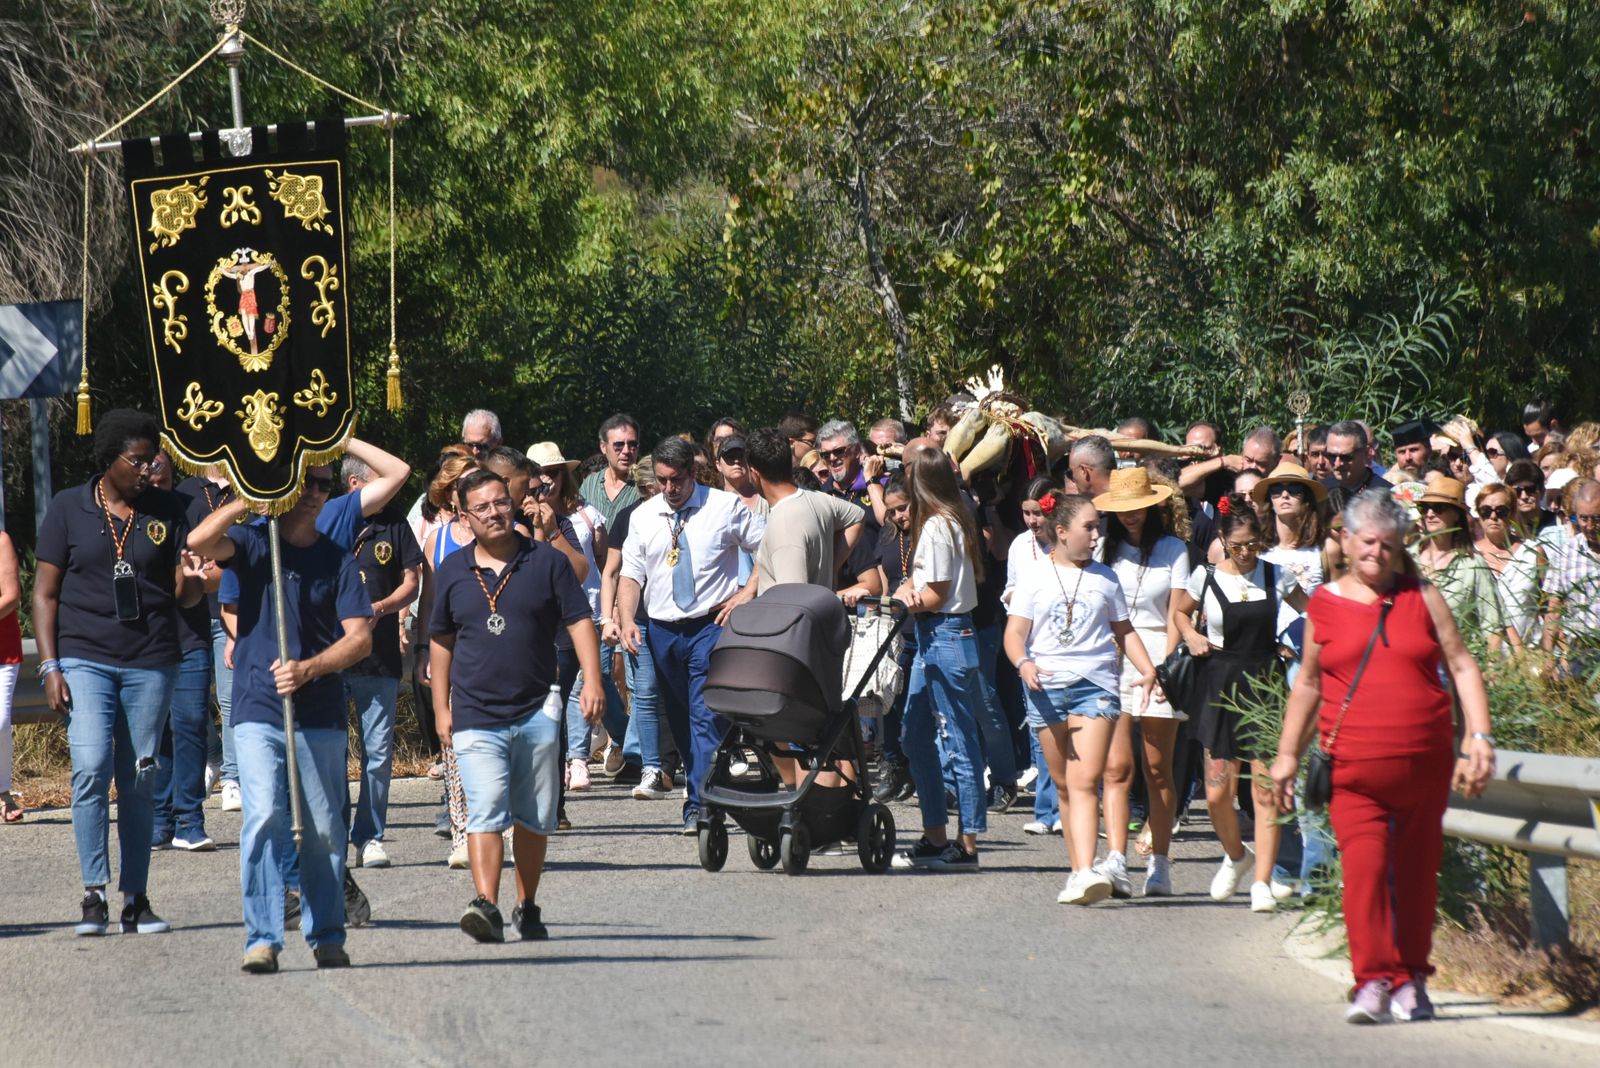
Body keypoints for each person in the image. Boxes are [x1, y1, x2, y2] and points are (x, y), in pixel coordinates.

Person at [1271, 489, 1495, 1023]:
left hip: (1425, 766)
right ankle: (1372, 979)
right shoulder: (1324, 604)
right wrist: (1285, 756)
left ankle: (1412, 980)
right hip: (1353, 770)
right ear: (1346, 541)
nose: (1376, 552)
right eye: (1367, 541)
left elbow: (1462, 666)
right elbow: (1307, 686)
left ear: (1401, 548)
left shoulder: (1424, 597)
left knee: (1417, 874)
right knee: (1365, 872)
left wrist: (1479, 738)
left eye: (1387, 545)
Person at [188, 471, 373, 974]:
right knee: (264, 817)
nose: (315, 493)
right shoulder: (252, 542)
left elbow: (360, 637)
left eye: (322, 485)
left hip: (318, 712)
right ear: (285, 488)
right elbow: (198, 541)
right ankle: (263, 936)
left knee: (322, 830)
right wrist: (247, 500)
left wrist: (311, 667)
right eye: (305, 484)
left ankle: (327, 933)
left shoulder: (337, 558)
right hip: (257, 707)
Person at [34, 409, 202, 936]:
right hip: (84, 656)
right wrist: (50, 665)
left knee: (139, 776)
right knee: (89, 765)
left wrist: (195, 582)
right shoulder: (68, 507)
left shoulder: (169, 508)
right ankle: (92, 894)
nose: (149, 469)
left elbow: (182, 592)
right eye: (138, 460)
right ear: (109, 460)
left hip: (151, 659)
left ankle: (136, 898)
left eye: (153, 459)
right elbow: (45, 592)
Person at [430, 468, 603, 943]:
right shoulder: (451, 570)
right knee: (484, 807)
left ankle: (526, 904)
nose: (494, 513)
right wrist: (440, 708)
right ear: (465, 518)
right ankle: (485, 903)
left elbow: (580, 622)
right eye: (482, 507)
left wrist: (591, 680)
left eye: (500, 502)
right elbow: (440, 643)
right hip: (473, 712)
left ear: (514, 503)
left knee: (532, 815)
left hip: (536, 708)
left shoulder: (547, 562)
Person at [1004, 493, 1159, 904]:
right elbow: (1015, 633)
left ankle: (1086, 869)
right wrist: (1023, 663)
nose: (1096, 535)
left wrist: (1147, 671)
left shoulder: (1106, 578)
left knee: (1084, 779)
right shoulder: (1035, 576)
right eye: (1088, 527)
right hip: (1044, 686)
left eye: (1097, 527)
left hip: (1096, 685)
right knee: (1063, 785)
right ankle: (1079, 872)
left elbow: (1123, 631)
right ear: (1061, 532)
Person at [617, 436, 764, 834]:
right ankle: (706, 787)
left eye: (676, 480)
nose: (669, 489)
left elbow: (767, 547)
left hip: (708, 626)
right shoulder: (645, 516)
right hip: (661, 630)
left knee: (704, 715)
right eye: (662, 481)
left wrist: (746, 591)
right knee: (679, 720)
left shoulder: (724, 506)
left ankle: (701, 806)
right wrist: (627, 618)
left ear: (693, 473)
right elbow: (631, 573)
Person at [1169, 491, 1306, 913]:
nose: (1246, 553)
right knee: (1215, 793)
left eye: (1252, 545)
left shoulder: (1275, 576)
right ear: (1224, 541)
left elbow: (1314, 613)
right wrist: (1190, 635)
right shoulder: (1205, 577)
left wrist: (1294, 646)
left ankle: (1262, 882)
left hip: (1264, 683)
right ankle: (1236, 855)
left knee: (1265, 791)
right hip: (1219, 683)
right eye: (1238, 545)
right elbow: (1179, 612)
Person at [887, 448, 991, 873]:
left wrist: (904, 600)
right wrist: (907, 588)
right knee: (914, 735)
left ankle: (967, 845)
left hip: (945, 631)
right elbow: (922, 578)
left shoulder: (938, 526)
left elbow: (937, 593)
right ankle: (935, 835)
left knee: (959, 740)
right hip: (935, 635)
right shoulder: (942, 522)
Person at [1093, 469, 1190, 897]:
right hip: (1112, 656)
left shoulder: (1174, 549)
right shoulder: (1103, 547)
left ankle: (1160, 861)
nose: (1130, 516)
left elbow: (1176, 612)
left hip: (1157, 651)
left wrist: (1166, 668)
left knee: (1156, 769)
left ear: (1151, 506)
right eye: (1122, 509)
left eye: (1137, 508)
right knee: (1115, 767)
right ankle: (1115, 860)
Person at [341, 452, 424, 869]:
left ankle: (369, 835)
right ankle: (336, 832)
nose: (389, 491)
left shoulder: (394, 523)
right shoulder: (331, 520)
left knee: (378, 754)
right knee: (330, 751)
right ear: (356, 485)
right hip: (332, 658)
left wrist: (384, 606)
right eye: (380, 482)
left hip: (381, 655)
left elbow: (412, 581)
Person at [418, 454, 485, 867]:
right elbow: (429, 601)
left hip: (497, 651)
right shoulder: (436, 541)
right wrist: (424, 651)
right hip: (452, 652)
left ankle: (495, 825)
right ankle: (462, 834)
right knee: (455, 745)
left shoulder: (505, 530)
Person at [600, 458, 674, 801]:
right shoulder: (629, 517)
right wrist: (610, 617)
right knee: (644, 691)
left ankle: (686, 762)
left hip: (681, 616)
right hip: (640, 618)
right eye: (656, 483)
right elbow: (612, 572)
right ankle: (651, 767)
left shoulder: (684, 513)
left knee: (678, 691)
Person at [747, 428, 865, 591]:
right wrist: (832, 567)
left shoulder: (784, 524)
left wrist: (832, 567)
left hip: (794, 615)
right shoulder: (820, 499)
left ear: (754, 474)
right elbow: (857, 516)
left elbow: (792, 600)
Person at [1413, 478, 1518, 652]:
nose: (1430, 514)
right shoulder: (1407, 558)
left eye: (1438, 508)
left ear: (1456, 515)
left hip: (1458, 665)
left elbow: (1492, 626)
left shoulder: (1473, 564)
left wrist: (1493, 672)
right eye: (1425, 508)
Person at [1541, 479, 1600, 674]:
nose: (1590, 526)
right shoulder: (1567, 552)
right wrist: (1547, 657)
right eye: (1583, 518)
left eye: (1597, 518)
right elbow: (1554, 608)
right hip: (1581, 650)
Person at [1255, 461, 1332, 595]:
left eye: (1294, 490)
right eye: (1276, 490)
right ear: (1270, 501)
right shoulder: (1256, 550)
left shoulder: (1325, 549)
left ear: (1307, 500)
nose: (1285, 495)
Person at [579, 414, 643, 528]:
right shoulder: (589, 485)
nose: (626, 451)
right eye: (619, 445)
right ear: (603, 447)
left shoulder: (646, 486)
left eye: (632, 444)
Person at [0, 531, 22, 823]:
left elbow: (12, 596)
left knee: (1, 721)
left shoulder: (1, 541)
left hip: (3, 651)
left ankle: (3, 791)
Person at [1323, 421, 1385, 513]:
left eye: (1346, 457)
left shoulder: (1386, 494)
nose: (1337, 463)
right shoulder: (1321, 492)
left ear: (1366, 453)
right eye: (1331, 456)